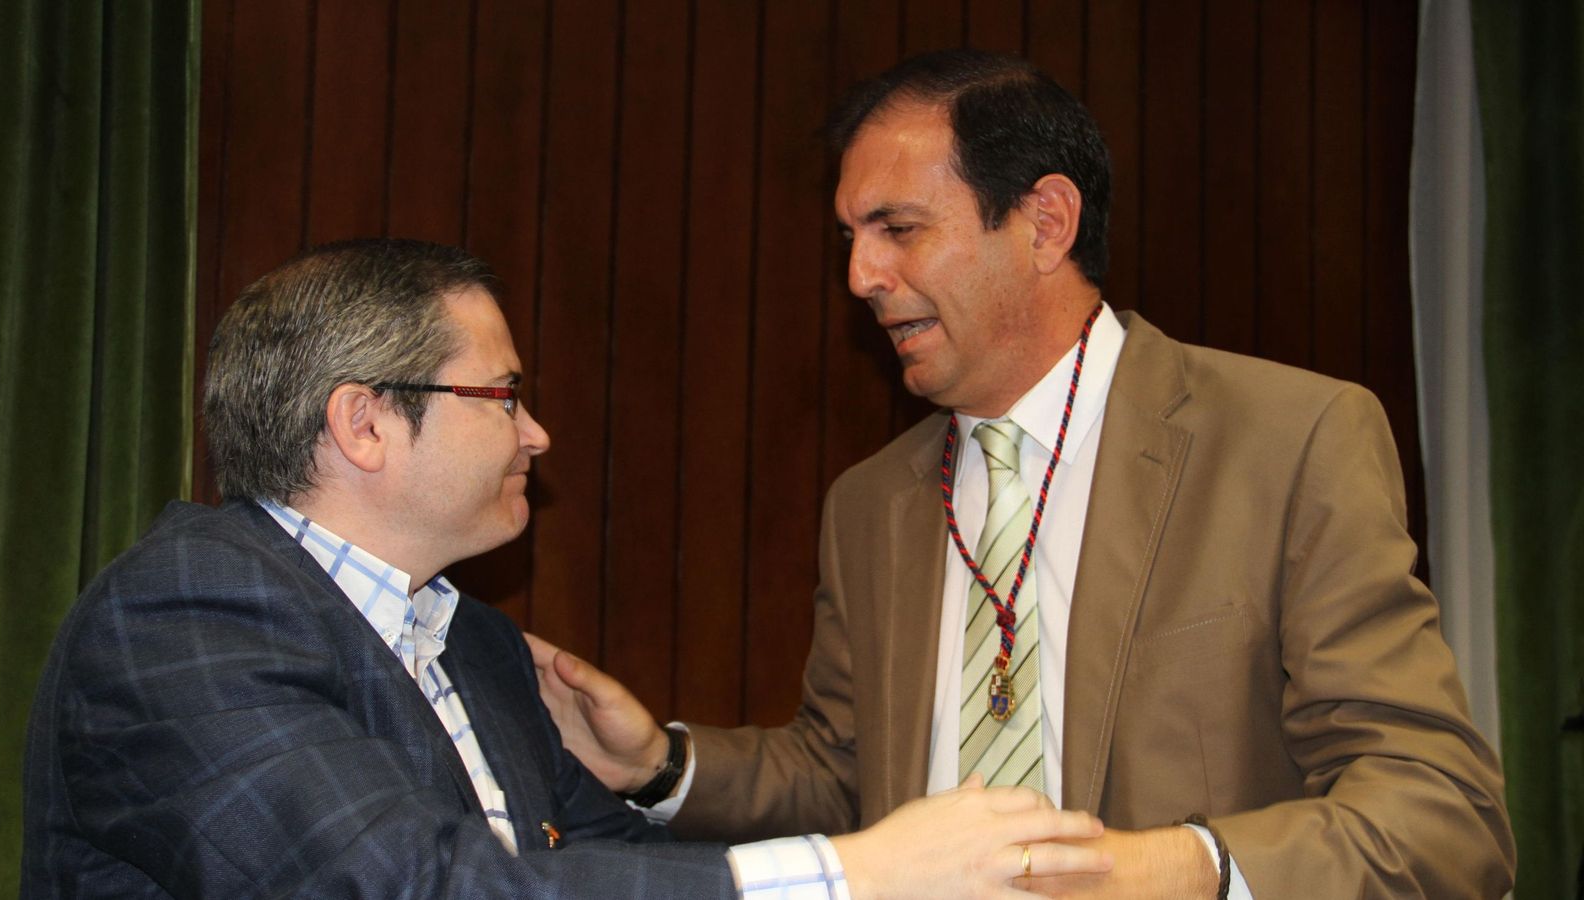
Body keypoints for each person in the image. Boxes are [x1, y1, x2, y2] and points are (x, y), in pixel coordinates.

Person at [527, 50, 1517, 897]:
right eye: (850, 238)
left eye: (897, 229)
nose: (860, 278)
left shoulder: (1284, 440)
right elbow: (841, 777)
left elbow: (1442, 813)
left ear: (1044, 222)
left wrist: (1184, 867)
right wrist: (659, 765)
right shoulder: (870, 506)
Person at [18, 238, 1114, 898]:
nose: (537, 434)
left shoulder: (477, 644)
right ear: (363, 424)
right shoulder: (187, 613)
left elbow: (594, 871)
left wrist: (658, 778)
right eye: (501, 396)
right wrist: (857, 876)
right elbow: (403, 889)